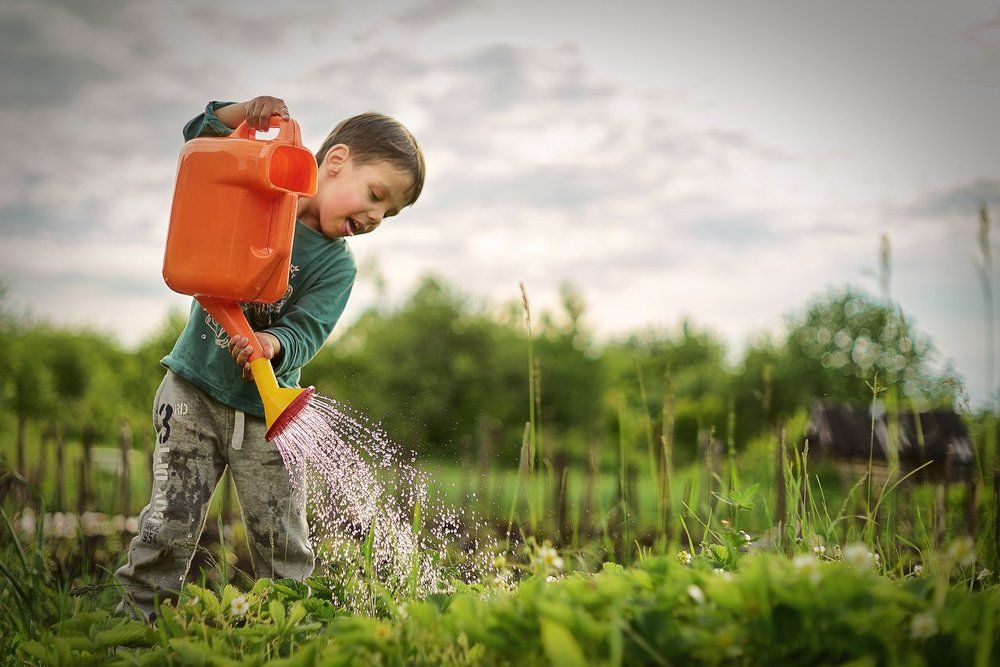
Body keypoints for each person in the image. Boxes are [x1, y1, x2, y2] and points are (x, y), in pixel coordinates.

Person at [115, 96, 425, 621]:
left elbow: (307, 331)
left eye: (388, 213)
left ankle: (288, 630)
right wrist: (242, 114)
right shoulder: (258, 189)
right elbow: (201, 143)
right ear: (335, 162)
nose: (376, 216)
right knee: (168, 525)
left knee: (282, 537)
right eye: (376, 195)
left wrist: (272, 344)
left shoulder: (337, 267)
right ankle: (134, 627)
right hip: (191, 392)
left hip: (268, 416)